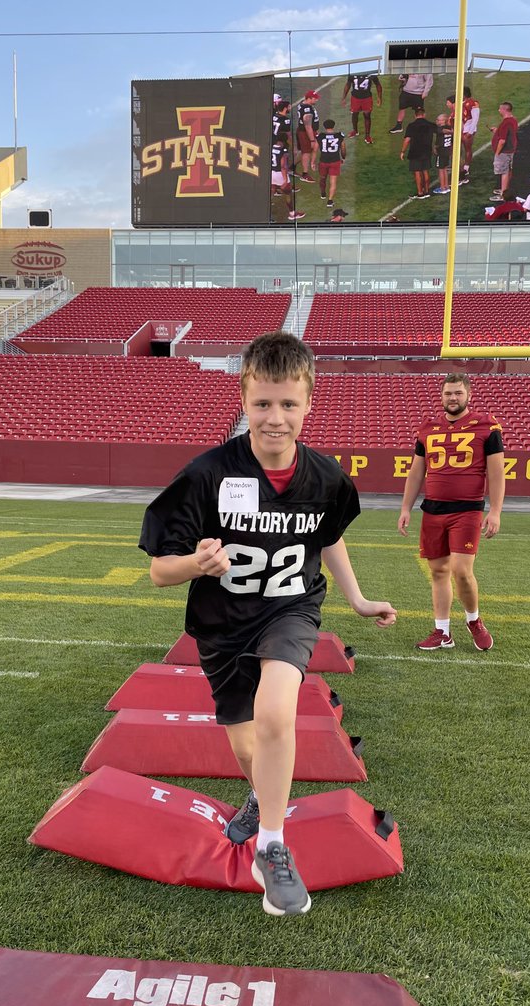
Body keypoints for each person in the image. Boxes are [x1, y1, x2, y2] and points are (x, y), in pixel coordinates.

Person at [140, 332, 397, 914]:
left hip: (290, 608)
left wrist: (355, 600)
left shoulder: (327, 477)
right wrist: (193, 564)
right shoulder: (207, 474)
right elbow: (160, 571)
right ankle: (261, 797)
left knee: (278, 709)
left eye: (288, 404)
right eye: (262, 404)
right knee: (246, 741)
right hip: (222, 621)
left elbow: (327, 540)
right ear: (243, 400)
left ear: (309, 404)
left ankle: (273, 847)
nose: (275, 418)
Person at [397, 373, 504, 651]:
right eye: (448, 394)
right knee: (438, 572)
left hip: (467, 509)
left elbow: (496, 473)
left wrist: (495, 511)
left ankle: (474, 620)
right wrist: (406, 507)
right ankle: (442, 631)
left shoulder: (486, 427)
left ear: (468, 395)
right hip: (433, 508)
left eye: (457, 393)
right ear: (441, 396)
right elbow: (416, 471)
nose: (452, 398)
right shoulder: (428, 428)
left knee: (461, 571)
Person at [399, 106, 437, 200]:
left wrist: (402, 151)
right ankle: (427, 191)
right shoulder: (430, 124)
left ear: (415, 115)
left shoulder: (411, 126)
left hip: (415, 151)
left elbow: (407, 140)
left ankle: (420, 193)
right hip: (427, 150)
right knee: (425, 170)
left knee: (417, 172)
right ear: (424, 115)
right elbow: (439, 133)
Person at [341, 71, 382, 143]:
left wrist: (379, 97)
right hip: (355, 98)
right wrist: (344, 97)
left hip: (367, 98)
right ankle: (355, 131)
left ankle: (367, 136)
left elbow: (378, 84)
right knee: (354, 114)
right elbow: (348, 84)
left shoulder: (371, 74)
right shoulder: (353, 73)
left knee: (367, 116)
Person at [270, 137, 304, 222]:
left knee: (272, 190)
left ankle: (264, 212)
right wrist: (285, 179)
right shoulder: (282, 151)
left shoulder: (268, 147)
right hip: (279, 174)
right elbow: (283, 167)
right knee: (288, 193)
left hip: (270, 173)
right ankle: (292, 214)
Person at [490, 102, 518, 200]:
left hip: (504, 151)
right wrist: (497, 131)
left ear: (504, 110)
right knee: (508, 169)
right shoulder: (513, 120)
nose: (499, 110)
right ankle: (504, 189)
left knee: (504, 172)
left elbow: (502, 141)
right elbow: (509, 133)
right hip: (511, 149)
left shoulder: (505, 123)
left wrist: (497, 153)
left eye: (500, 109)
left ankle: (503, 194)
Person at [315, 119, 346, 208]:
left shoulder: (320, 136)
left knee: (322, 178)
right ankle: (330, 200)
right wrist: (343, 158)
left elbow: (315, 149)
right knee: (333, 182)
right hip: (335, 160)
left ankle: (323, 192)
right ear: (333, 125)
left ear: (324, 126)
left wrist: (313, 161)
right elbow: (343, 148)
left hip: (323, 161)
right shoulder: (339, 135)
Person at [295, 91, 319, 182]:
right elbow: (308, 126)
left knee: (303, 151)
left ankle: (291, 167)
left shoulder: (303, 104)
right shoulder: (307, 109)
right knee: (306, 152)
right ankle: (305, 174)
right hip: (306, 132)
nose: (316, 99)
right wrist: (312, 140)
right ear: (308, 98)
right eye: (314, 98)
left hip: (304, 131)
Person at [432, 113, 452, 194]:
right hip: (447, 151)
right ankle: (446, 186)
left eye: (438, 119)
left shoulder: (440, 128)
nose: (436, 121)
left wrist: (435, 147)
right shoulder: (449, 127)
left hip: (441, 152)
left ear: (444, 121)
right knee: (445, 169)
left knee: (441, 169)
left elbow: (442, 132)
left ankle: (442, 187)